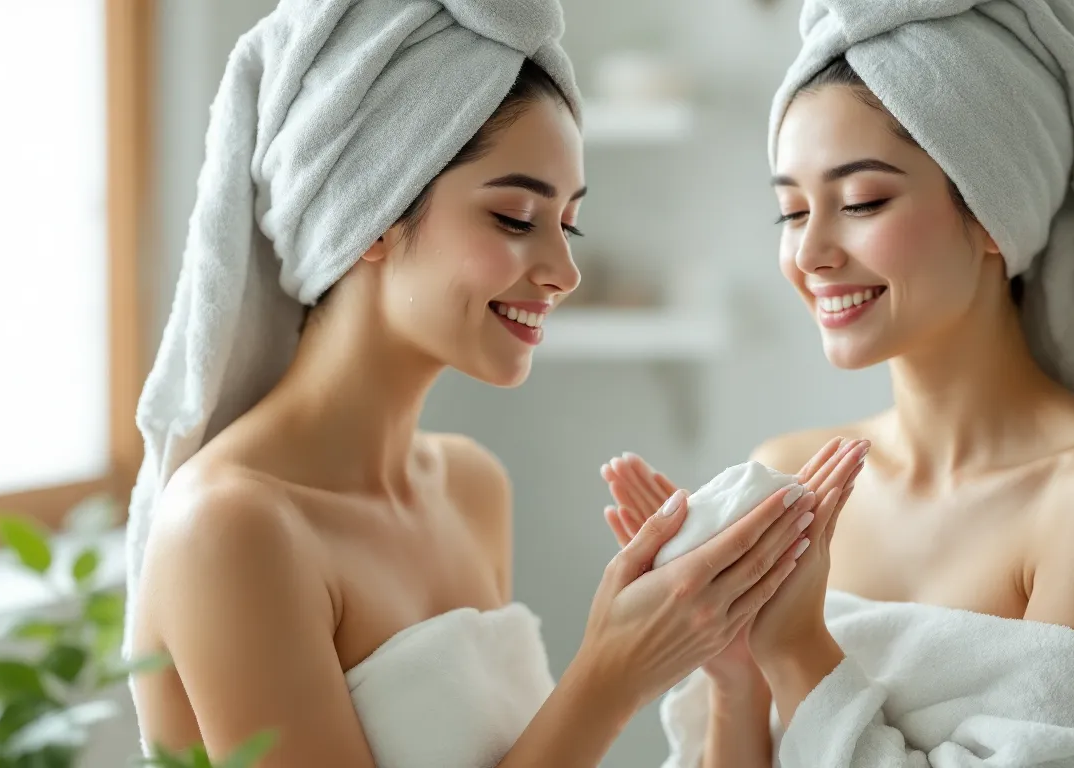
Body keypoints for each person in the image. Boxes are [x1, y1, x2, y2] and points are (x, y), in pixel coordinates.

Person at [122, 2, 860, 766]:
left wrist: (731, 676)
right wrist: (610, 676)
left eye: (566, 223)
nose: (564, 271)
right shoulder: (231, 529)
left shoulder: (470, 489)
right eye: (514, 217)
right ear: (370, 209)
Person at [602, 1, 1074, 765]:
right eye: (790, 211)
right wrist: (732, 678)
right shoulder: (787, 469)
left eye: (862, 203)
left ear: (993, 213)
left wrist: (792, 649)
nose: (811, 253)